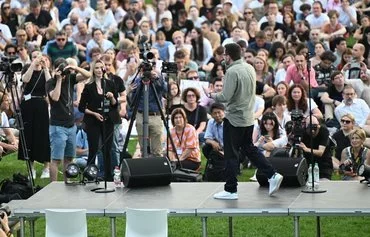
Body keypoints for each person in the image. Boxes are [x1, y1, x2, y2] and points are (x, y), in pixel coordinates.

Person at [208, 43, 283, 199]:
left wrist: (211, 94)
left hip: (234, 119)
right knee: (249, 148)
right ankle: (272, 175)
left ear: (228, 56)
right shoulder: (249, 67)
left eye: (224, 56)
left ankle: (230, 189)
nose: (223, 58)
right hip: (248, 118)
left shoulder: (232, 71)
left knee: (231, 154)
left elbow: (225, 97)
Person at [47, 57, 91, 182]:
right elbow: (55, 98)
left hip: (71, 126)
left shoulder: (71, 78)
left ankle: (68, 182)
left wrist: (74, 68)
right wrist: (59, 79)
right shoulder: (50, 82)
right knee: (56, 159)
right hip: (58, 126)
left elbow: (88, 75)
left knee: (69, 158)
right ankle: (53, 186)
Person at [78, 59, 117, 180]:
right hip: (93, 121)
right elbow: (81, 107)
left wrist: (111, 98)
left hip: (108, 120)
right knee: (94, 148)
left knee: (108, 149)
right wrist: (94, 113)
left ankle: (109, 176)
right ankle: (89, 175)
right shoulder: (89, 87)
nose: (99, 70)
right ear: (93, 70)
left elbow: (115, 105)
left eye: (101, 67)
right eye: (97, 68)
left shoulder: (110, 84)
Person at [18, 50, 51, 179]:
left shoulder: (45, 71)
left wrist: (45, 67)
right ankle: (31, 168)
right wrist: (33, 65)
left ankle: (46, 167)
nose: (37, 59)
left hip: (41, 104)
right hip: (28, 105)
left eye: (39, 56)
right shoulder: (28, 68)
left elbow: (49, 85)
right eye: (34, 56)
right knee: (29, 135)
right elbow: (25, 79)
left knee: (43, 135)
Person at [299, 115, 333, 180]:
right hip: (308, 164)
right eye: (310, 129)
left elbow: (320, 152)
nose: (313, 132)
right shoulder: (301, 132)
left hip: (323, 165)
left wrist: (306, 149)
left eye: (315, 129)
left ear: (318, 126)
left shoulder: (323, 130)